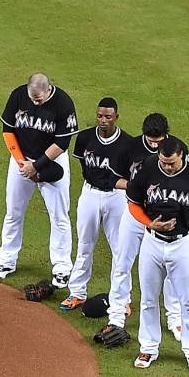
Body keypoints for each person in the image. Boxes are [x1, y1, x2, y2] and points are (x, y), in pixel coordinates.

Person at [94, 113, 189, 345]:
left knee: (170, 267)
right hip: (136, 214)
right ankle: (117, 316)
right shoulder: (131, 147)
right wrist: (138, 187)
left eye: (159, 140)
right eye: (151, 140)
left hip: (168, 218)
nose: (155, 145)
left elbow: (188, 180)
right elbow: (113, 179)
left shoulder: (179, 149)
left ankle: (175, 318)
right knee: (122, 262)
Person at [125, 137, 189, 373]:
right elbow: (133, 202)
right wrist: (150, 224)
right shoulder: (148, 169)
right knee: (148, 299)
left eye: (171, 163)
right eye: (164, 162)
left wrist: (185, 221)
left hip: (182, 245)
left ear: (182, 156)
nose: (166, 167)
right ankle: (149, 347)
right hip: (152, 244)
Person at [0, 72, 78, 286]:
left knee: (59, 216)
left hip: (52, 160)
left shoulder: (63, 103)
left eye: (38, 99)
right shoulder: (18, 96)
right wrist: (22, 162)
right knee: (13, 212)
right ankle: (6, 261)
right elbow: (7, 130)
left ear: (48, 90)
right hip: (21, 161)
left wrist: (36, 166)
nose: (34, 102)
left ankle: (62, 267)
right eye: (32, 98)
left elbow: (62, 143)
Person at [60, 98, 135, 310]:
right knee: (84, 245)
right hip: (90, 194)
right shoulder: (84, 138)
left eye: (108, 117)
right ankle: (77, 293)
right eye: (100, 116)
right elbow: (84, 165)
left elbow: (131, 177)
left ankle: (122, 299)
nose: (103, 120)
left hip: (116, 197)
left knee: (120, 249)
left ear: (116, 118)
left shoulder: (128, 144)